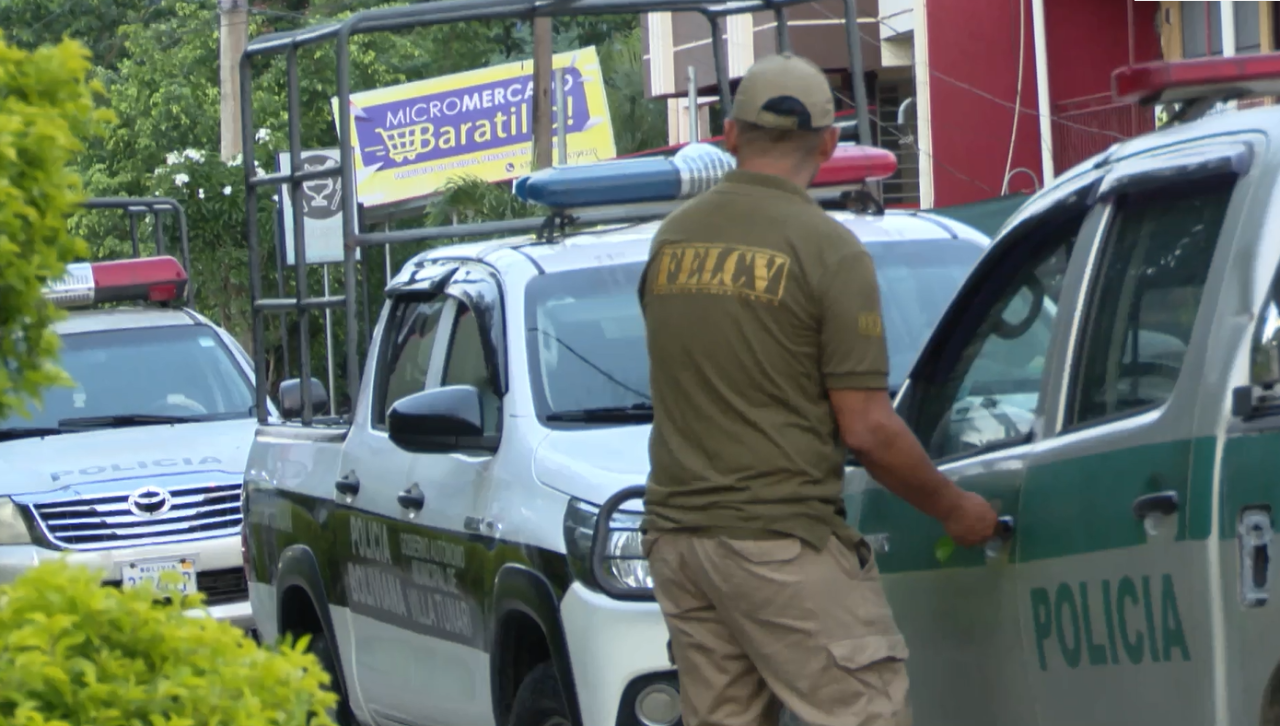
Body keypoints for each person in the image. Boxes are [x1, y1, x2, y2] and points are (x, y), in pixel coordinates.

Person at [637, 53, 1000, 726]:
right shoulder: (828, 251)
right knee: (865, 713)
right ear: (831, 143)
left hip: (680, 540)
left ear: (729, 134)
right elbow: (866, 428)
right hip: (780, 540)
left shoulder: (671, 241)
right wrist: (955, 509)